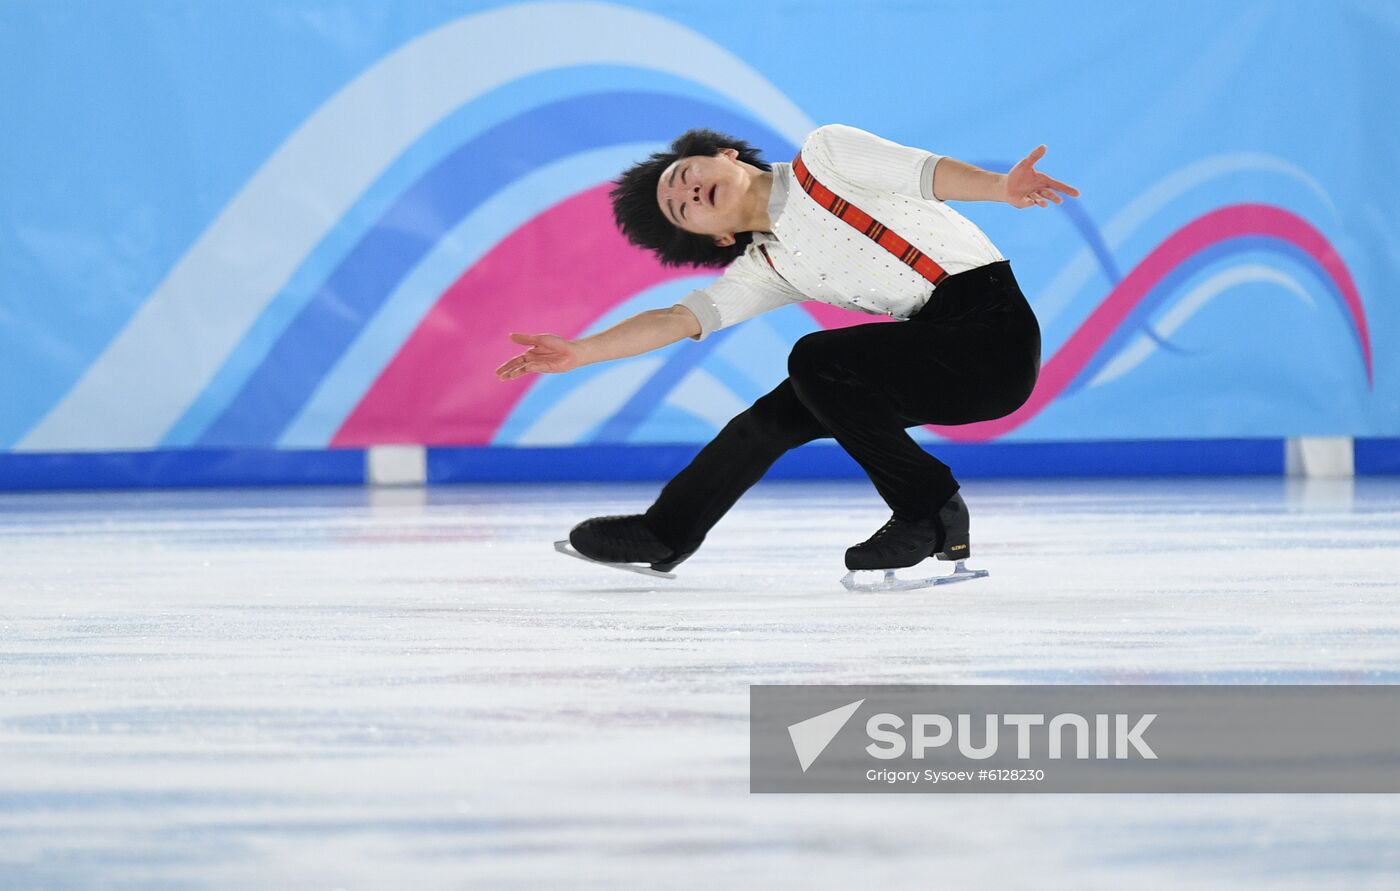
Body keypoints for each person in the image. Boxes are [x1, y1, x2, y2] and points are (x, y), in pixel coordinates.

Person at [495, 124, 1078, 577]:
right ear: (715, 237)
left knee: (817, 361)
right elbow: (679, 317)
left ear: (726, 155)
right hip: (934, 352)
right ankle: (667, 531)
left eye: (684, 174)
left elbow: (924, 175)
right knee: (772, 418)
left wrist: (998, 188)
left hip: (991, 338)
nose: (689, 190)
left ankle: (929, 510)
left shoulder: (825, 157)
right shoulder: (769, 265)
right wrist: (581, 351)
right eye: (682, 207)